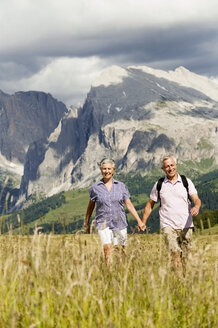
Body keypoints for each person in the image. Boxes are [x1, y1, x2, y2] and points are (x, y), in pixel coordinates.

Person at [142, 155, 201, 277]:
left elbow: (196, 198)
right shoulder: (159, 184)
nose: (170, 168)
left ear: (176, 165)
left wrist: (196, 206)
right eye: (167, 166)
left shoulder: (186, 181)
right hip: (168, 225)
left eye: (172, 165)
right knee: (175, 252)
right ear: (163, 169)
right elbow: (150, 204)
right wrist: (143, 221)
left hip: (186, 225)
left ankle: (186, 279)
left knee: (186, 256)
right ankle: (180, 281)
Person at [84, 158, 145, 266]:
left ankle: (121, 273)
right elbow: (90, 206)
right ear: (101, 170)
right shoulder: (95, 188)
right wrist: (87, 222)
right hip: (103, 223)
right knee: (107, 248)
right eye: (104, 169)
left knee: (120, 250)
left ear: (113, 170)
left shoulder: (121, 186)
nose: (106, 171)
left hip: (119, 222)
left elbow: (129, 205)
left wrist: (139, 221)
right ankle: (109, 273)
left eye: (109, 169)